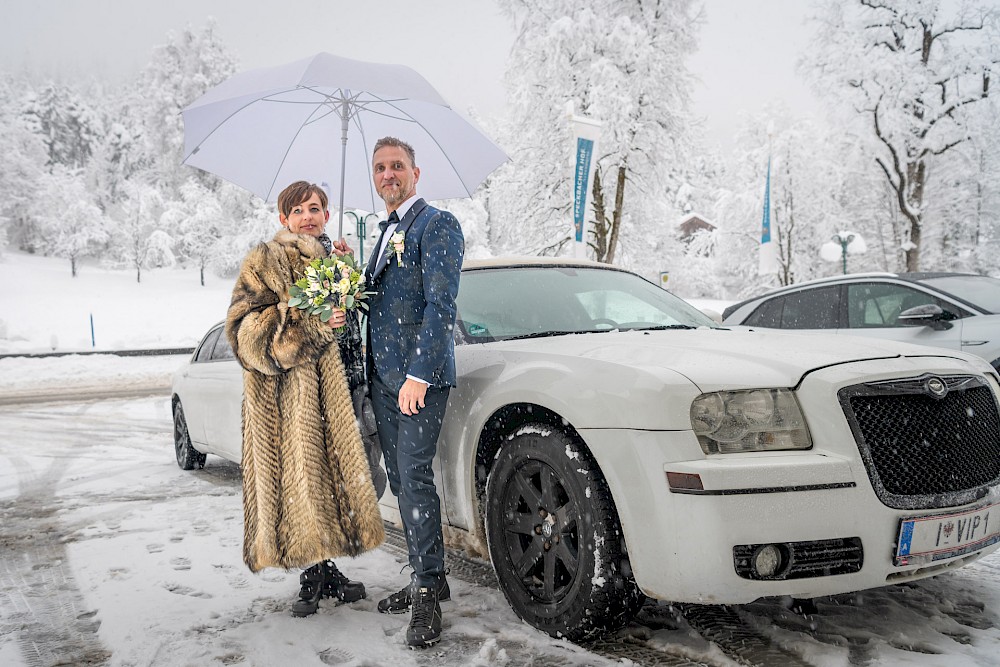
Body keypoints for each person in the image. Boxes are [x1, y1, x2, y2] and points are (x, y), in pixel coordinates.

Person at [225, 181, 384, 618]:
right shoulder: (265, 261)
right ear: (284, 219)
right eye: (298, 210)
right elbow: (244, 333)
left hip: (347, 387)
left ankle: (326, 563)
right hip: (294, 396)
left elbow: (356, 321)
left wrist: (349, 275)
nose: (307, 217)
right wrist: (309, 321)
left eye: (315, 208)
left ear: (326, 215)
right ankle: (313, 572)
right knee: (306, 483)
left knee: (358, 480)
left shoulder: (337, 259)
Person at [352, 136, 464, 648]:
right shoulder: (384, 232)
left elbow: (442, 306)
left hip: (419, 381)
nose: (388, 174)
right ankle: (430, 576)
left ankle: (425, 594)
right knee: (400, 480)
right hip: (383, 381)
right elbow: (379, 302)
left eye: (397, 166)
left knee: (415, 479)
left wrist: (419, 374)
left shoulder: (436, 225)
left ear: (416, 174)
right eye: (380, 168)